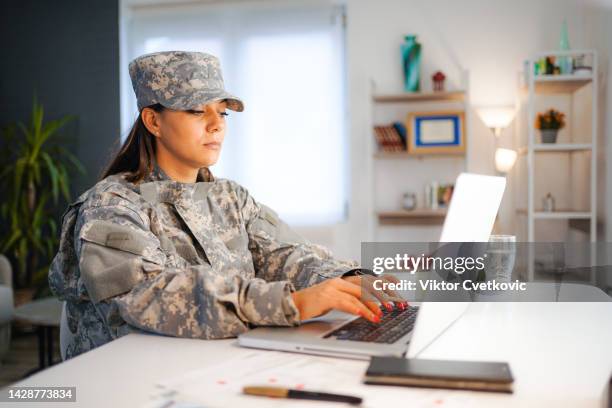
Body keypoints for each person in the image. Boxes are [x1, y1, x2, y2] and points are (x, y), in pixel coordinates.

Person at [49, 51, 404, 359]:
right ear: (153, 121)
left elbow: (286, 255)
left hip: (218, 360)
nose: (216, 124)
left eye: (223, 113)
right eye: (195, 111)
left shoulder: (231, 198)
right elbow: (151, 296)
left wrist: (347, 281)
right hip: (133, 381)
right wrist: (292, 304)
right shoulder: (110, 205)